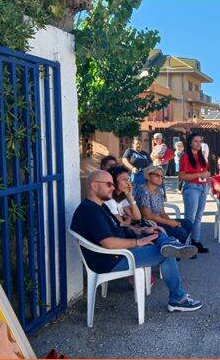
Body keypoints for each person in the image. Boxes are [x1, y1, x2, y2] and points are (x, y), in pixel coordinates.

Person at [71, 170, 202, 312]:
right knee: (166, 253)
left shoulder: (100, 206)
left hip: (119, 252)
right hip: (111, 259)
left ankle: (169, 243)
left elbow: (120, 226)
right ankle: (178, 298)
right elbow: (108, 243)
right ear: (94, 186)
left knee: (157, 232)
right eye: (109, 184)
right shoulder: (90, 211)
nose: (113, 187)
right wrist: (137, 242)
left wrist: (141, 231)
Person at [137, 165, 193, 244]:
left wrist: (172, 222)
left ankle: (180, 248)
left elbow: (162, 212)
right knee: (180, 232)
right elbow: (148, 216)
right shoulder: (143, 191)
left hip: (160, 221)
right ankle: (178, 252)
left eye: (162, 176)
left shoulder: (159, 190)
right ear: (148, 176)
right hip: (149, 224)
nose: (160, 178)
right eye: (157, 175)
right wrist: (169, 223)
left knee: (187, 223)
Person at [179, 133, 211, 253]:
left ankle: (195, 242)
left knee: (198, 217)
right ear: (190, 143)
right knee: (190, 218)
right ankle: (185, 244)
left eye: (200, 141)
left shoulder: (201, 156)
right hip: (192, 188)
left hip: (203, 187)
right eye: (196, 141)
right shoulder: (185, 157)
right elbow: (182, 176)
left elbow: (205, 171)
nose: (199, 143)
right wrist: (200, 175)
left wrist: (207, 177)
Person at [150, 133, 169, 200]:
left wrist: (155, 155)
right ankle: (159, 194)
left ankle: (163, 196)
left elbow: (159, 155)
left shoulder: (163, 146)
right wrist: (155, 155)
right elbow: (152, 156)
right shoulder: (155, 147)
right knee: (156, 180)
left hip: (162, 164)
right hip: (156, 164)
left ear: (161, 139)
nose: (155, 140)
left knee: (160, 179)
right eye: (154, 138)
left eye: (157, 138)